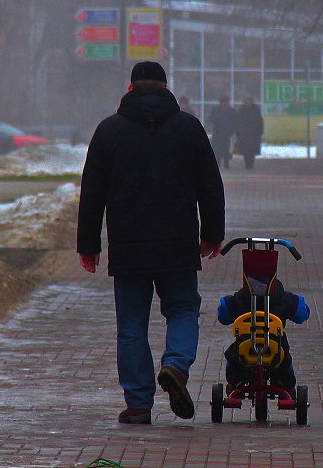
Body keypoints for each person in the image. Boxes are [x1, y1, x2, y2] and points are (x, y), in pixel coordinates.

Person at [77, 61, 225, 425]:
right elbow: (210, 184)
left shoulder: (109, 131)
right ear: (164, 87)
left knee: (131, 324)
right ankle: (175, 364)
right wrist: (212, 235)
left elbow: (92, 192)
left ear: (130, 89)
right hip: (178, 243)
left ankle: (139, 402)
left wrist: (88, 244)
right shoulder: (189, 128)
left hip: (129, 245)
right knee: (183, 310)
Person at [217, 277, 310, 394]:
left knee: (233, 357)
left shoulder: (239, 299)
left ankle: (234, 382)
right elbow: (301, 314)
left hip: (245, 351)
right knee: (285, 362)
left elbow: (223, 316)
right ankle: (285, 385)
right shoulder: (285, 299)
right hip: (276, 352)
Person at [235, 95, 264, 170]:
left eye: (249, 101)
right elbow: (237, 121)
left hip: (253, 134)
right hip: (244, 134)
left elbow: (260, 121)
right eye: (246, 101)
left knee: (252, 150)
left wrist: (259, 131)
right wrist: (238, 131)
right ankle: (247, 163)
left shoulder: (256, 110)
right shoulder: (241, 110)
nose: (248, 103)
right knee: (245, 150)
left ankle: (251, 164)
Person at [209, 95, 237, 169]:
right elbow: (210, 118)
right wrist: (216, 120)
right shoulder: (216, 110)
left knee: (226, 149)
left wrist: (232, 130)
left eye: (226, 102)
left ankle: (226, 163)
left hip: (226, 133)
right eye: (223, 102)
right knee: (217, 149)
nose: (225, 103)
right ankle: (218, 163)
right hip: (217, 132)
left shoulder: (231, 110)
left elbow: (234, 121)